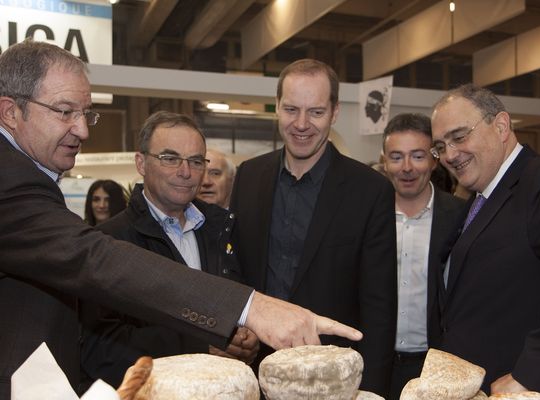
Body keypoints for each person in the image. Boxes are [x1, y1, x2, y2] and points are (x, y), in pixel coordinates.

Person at [0, 40, 362, 398]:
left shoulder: (222, 225)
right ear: (10, 111)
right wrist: (251, 308)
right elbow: (93, 259)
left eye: (86, 113)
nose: (83, 130)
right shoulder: (10, 179)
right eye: (65, 112)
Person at [230, 58, 397, 396]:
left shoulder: (370, 190)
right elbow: (236, 268)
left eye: (316, 112)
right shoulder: (248, 176)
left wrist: (372, 391)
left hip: (333, 379)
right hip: (255, 373)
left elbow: (380, 305)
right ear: (276, 107)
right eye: (291, 109)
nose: (302, 124)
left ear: (334, 113)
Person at [430, 83, 540, 395]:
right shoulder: (475, 203)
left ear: (501, 126)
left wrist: (532, 374)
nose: (450, 155)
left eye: (459, 137)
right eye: (440, 147)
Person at [80, 112, 259, 388]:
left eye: (196, 161)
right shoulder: (110, 241)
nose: (185, 172)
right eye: (170, 158)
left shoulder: (223, 230)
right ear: (141, 163)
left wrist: (246, 337)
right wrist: (199, 346)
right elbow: (99, 349)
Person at [381, 113, 465, 399]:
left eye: (417, 156)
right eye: (396, 156)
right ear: (384, 161)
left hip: (437, 366)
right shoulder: (366, 216)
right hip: (378, 365)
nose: (406, 168)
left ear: (433, 159)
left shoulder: (460, 217)